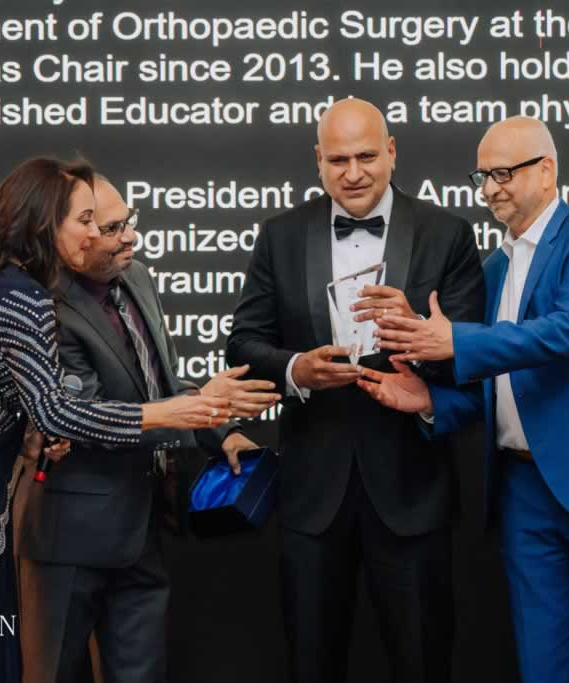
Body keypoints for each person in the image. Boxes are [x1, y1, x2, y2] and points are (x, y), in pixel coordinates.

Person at [0, 158, 231, 683]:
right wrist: (165, 412)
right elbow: (55, 409)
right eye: (84, 220)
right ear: (43, 222)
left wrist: (33, 433)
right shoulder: (22, 291)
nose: (94, 233)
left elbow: (17, 400)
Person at [359, 116, 569, 683]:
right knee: (541, 665)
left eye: (503, 173)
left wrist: (455, 340)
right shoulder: (492, 268)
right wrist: (430, 400)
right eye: (482, 176)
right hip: (523, 492)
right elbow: (497, 388)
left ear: (547, 171)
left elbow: (568, 330)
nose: (490, 188)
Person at [227, 98, 485, 683]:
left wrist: (419, 334)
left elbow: (472, 358)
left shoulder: (447, 234)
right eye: (338, 160)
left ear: (391, 152)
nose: (353, 173)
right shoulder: (280, 235)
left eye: (366, 156)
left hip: (412, 490)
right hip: (312, 494)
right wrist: (297, 369)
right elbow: (242, 344)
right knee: (311, 665)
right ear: (318, 161)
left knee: (423, 664)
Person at [15, 176, 279, 683]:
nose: (130, 236)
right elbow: (88, 417)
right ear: (68, 235)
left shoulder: (136, 277)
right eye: (111, 227)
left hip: (144, 525)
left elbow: (161, 382)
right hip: (68, 535)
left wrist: (221, 431)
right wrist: (199, 404)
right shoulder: (42, 304)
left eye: (128, 220)